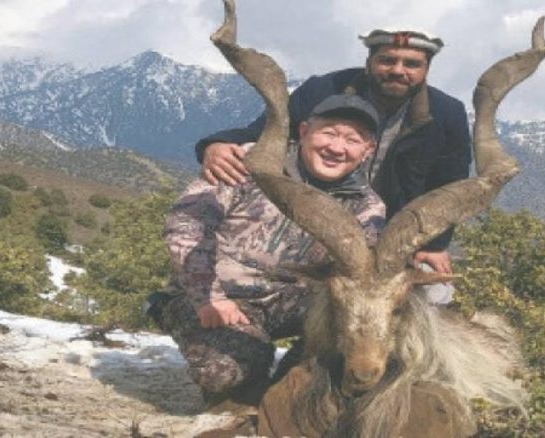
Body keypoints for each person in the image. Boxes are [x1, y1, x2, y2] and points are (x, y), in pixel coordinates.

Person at [153, 94, 385, 406]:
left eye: (352, 140)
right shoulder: (249, 164)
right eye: (328, 133)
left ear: (367, 151)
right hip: (219, 297)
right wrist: (208, 296)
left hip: (298, 304)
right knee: (226, 372)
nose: (336, 148)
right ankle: (237, 373)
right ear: (303, 131)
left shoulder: (367, 207)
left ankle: (294, 378)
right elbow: (186, 224)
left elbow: (362, 273)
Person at [195, 28, 471, 277]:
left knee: (433, 290)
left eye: (412, 64)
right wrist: (216, 144)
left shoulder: (447, 114)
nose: (398, 70)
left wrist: (435, 245)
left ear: (426, 70)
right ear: (369, 63)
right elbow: (264, 132)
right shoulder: (322, 90)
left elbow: (450, 188)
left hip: (393, 236)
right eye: (387, 60)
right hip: (318, 222)